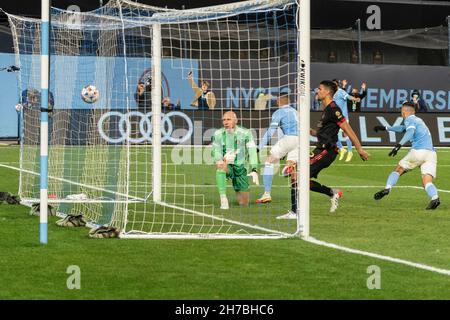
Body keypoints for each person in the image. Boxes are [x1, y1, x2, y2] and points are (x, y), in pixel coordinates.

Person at [277, 80, 369, 218]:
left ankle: (295, 212)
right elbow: (320, 133)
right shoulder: (326, 110)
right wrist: (308, 130)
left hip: (328, 151)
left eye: (319, 89)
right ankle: (332, 192)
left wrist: (359, 149)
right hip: (320, 149)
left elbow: (348, 129)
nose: (317, 91)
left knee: (297, 173)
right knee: (299, 179)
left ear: (327, 92)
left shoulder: (334, 109)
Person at [373, 101, 439, 210]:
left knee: (398, 169)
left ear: (404, 112)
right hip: (431, 154)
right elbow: (403, 128)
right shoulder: (418, 120)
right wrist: (385, 128)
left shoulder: (410, 119)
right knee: (427, 181)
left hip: (418, 152)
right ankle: (435, 198)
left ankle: (387, 188)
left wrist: (398, 145)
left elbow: (410, 132)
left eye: (401, 110)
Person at [255, 92, 298, 204]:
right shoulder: (296, 112)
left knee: (269, 161)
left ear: (279, 101)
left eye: (277, 100)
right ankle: (288, 168)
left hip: (289, 138)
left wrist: (259, 147)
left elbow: (270, 132)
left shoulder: (279, 112)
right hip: (301, 141)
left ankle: (266, 194)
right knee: (291, 163)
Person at [211, 111, 259, 209]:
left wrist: (254, 169)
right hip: (227, 165)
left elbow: (252, 151)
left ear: (236, 120)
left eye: (228, 119)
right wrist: (220, 159)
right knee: (220, 167)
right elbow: (216, 151)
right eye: (224, 120)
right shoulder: (218, 134)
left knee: (243, 203)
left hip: (241, 168)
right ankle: (223, 199)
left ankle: (237, 185)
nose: (225, 122)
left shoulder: (246, 133)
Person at [333, 79, 361, 162]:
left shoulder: (341, 92)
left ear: (337, 85)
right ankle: (342, 149)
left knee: (346, 134)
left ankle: (350, 151)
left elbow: (348, 97)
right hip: (335, 116)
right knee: (334, 134)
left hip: (343, 117)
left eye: (334, 84)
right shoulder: (332, 93)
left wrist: (355, 99)